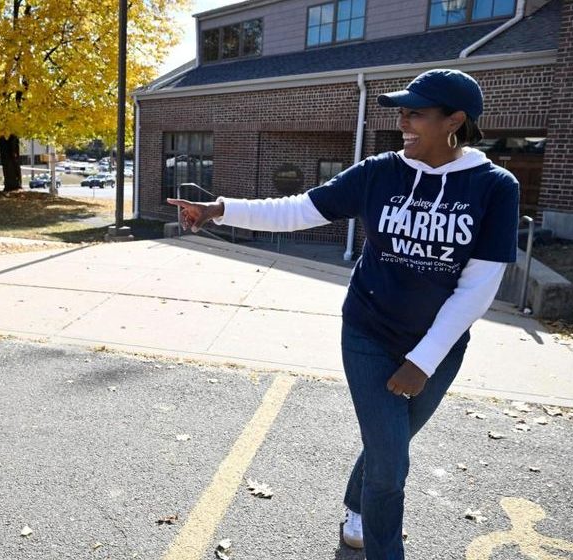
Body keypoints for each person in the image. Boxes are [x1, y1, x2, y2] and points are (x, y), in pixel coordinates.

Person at [169, 69, 519, 560]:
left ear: (455, 120)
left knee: (386, 445)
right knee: (391, 460)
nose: (403, 121)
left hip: (439, 344)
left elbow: (479, 286)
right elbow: (297, 210)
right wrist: (218, 210)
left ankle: (357, 505)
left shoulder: (495, 187)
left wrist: (425, 359)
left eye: (416, 112)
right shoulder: (379, 172)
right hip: (368, 332)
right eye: (401, 111)